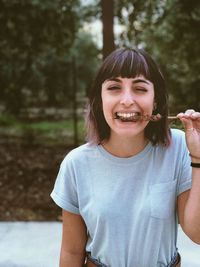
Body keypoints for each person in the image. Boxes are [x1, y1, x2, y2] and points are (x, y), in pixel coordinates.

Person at [51, 48, 200, 267]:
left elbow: (197, 233)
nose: (127, 100)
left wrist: (197, 156)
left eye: (140, 89)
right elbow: (72, 252)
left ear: (155, 101)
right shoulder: (76, 164)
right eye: (114, 88)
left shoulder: (178, 148)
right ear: (99, 100)